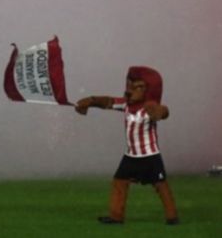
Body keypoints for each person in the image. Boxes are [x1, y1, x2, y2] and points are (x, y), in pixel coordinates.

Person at [74, 66, 180, 225]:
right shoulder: (126, 105)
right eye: (130, 86)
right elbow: (109, 102)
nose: (130, 91)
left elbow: (163, 112)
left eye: (138, 87)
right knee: (119, 182)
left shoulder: (149, 107)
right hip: (131, 155)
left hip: (150, 155)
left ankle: (172, 217)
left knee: (160, 184)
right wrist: (91, 101)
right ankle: (116, 216)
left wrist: (161, 112)